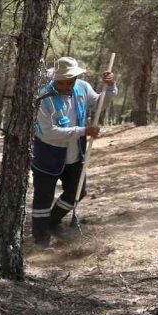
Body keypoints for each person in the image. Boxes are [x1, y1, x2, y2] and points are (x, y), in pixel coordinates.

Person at [31, 56, 116, 247]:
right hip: (48, 155)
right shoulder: (43, 98)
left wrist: (109, 88)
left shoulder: (83, 87)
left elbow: (98, 103)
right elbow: (49, 132)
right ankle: (40, 238)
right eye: (62, 82)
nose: (67, 85)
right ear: (55, 80)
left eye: (71, 81)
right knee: (42, 199)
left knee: (78, 190)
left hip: (75, 154)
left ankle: (53, 222)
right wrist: (83, 131)